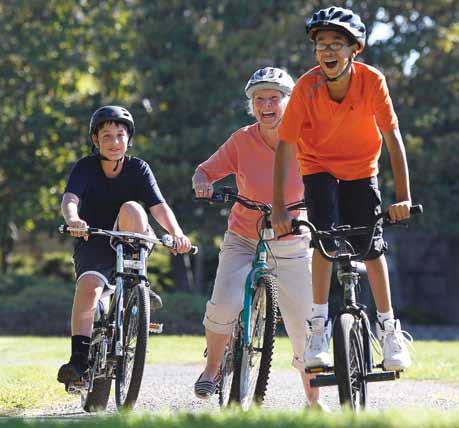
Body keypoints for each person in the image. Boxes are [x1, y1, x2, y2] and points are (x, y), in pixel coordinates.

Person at [271, 6, 413, 372]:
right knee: (324, 240)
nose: (328, 51)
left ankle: (388, 328)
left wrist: (403, 197)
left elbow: (392, 136)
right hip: (317, 167)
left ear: (355, 49)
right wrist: (279, 208)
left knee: (371, 245)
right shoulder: (306, 86)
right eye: (321, 45)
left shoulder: (372, 81)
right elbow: (286, 146)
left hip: (362, 170)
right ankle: (319, 328)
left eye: (337, 43)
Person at [192, 67, 326, 409]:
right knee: (224, 301)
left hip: (292, 238)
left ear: (288, 102)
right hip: (244, 238)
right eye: (258, 99)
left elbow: (329, 176)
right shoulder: (241, 140)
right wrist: (203, 183)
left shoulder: (308, 138)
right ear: (251, 105)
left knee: (305, 322)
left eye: (274, 98)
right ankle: (211, 369)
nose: (266, 105)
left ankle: (314, 400)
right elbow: (204, 170)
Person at [57, 105, 192, 390]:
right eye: (107, 136)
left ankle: (136, 286)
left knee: (132, 207)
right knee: (89, 289)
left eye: (120, 135)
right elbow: (70, 198)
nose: (115, 142)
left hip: (132, 240)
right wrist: (74, 219)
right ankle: (79, 361)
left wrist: (177, 234)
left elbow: (159, 206)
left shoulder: (139, 168)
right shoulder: (85, 167)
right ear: (96, 140)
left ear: (129, 138)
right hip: (93, 240)